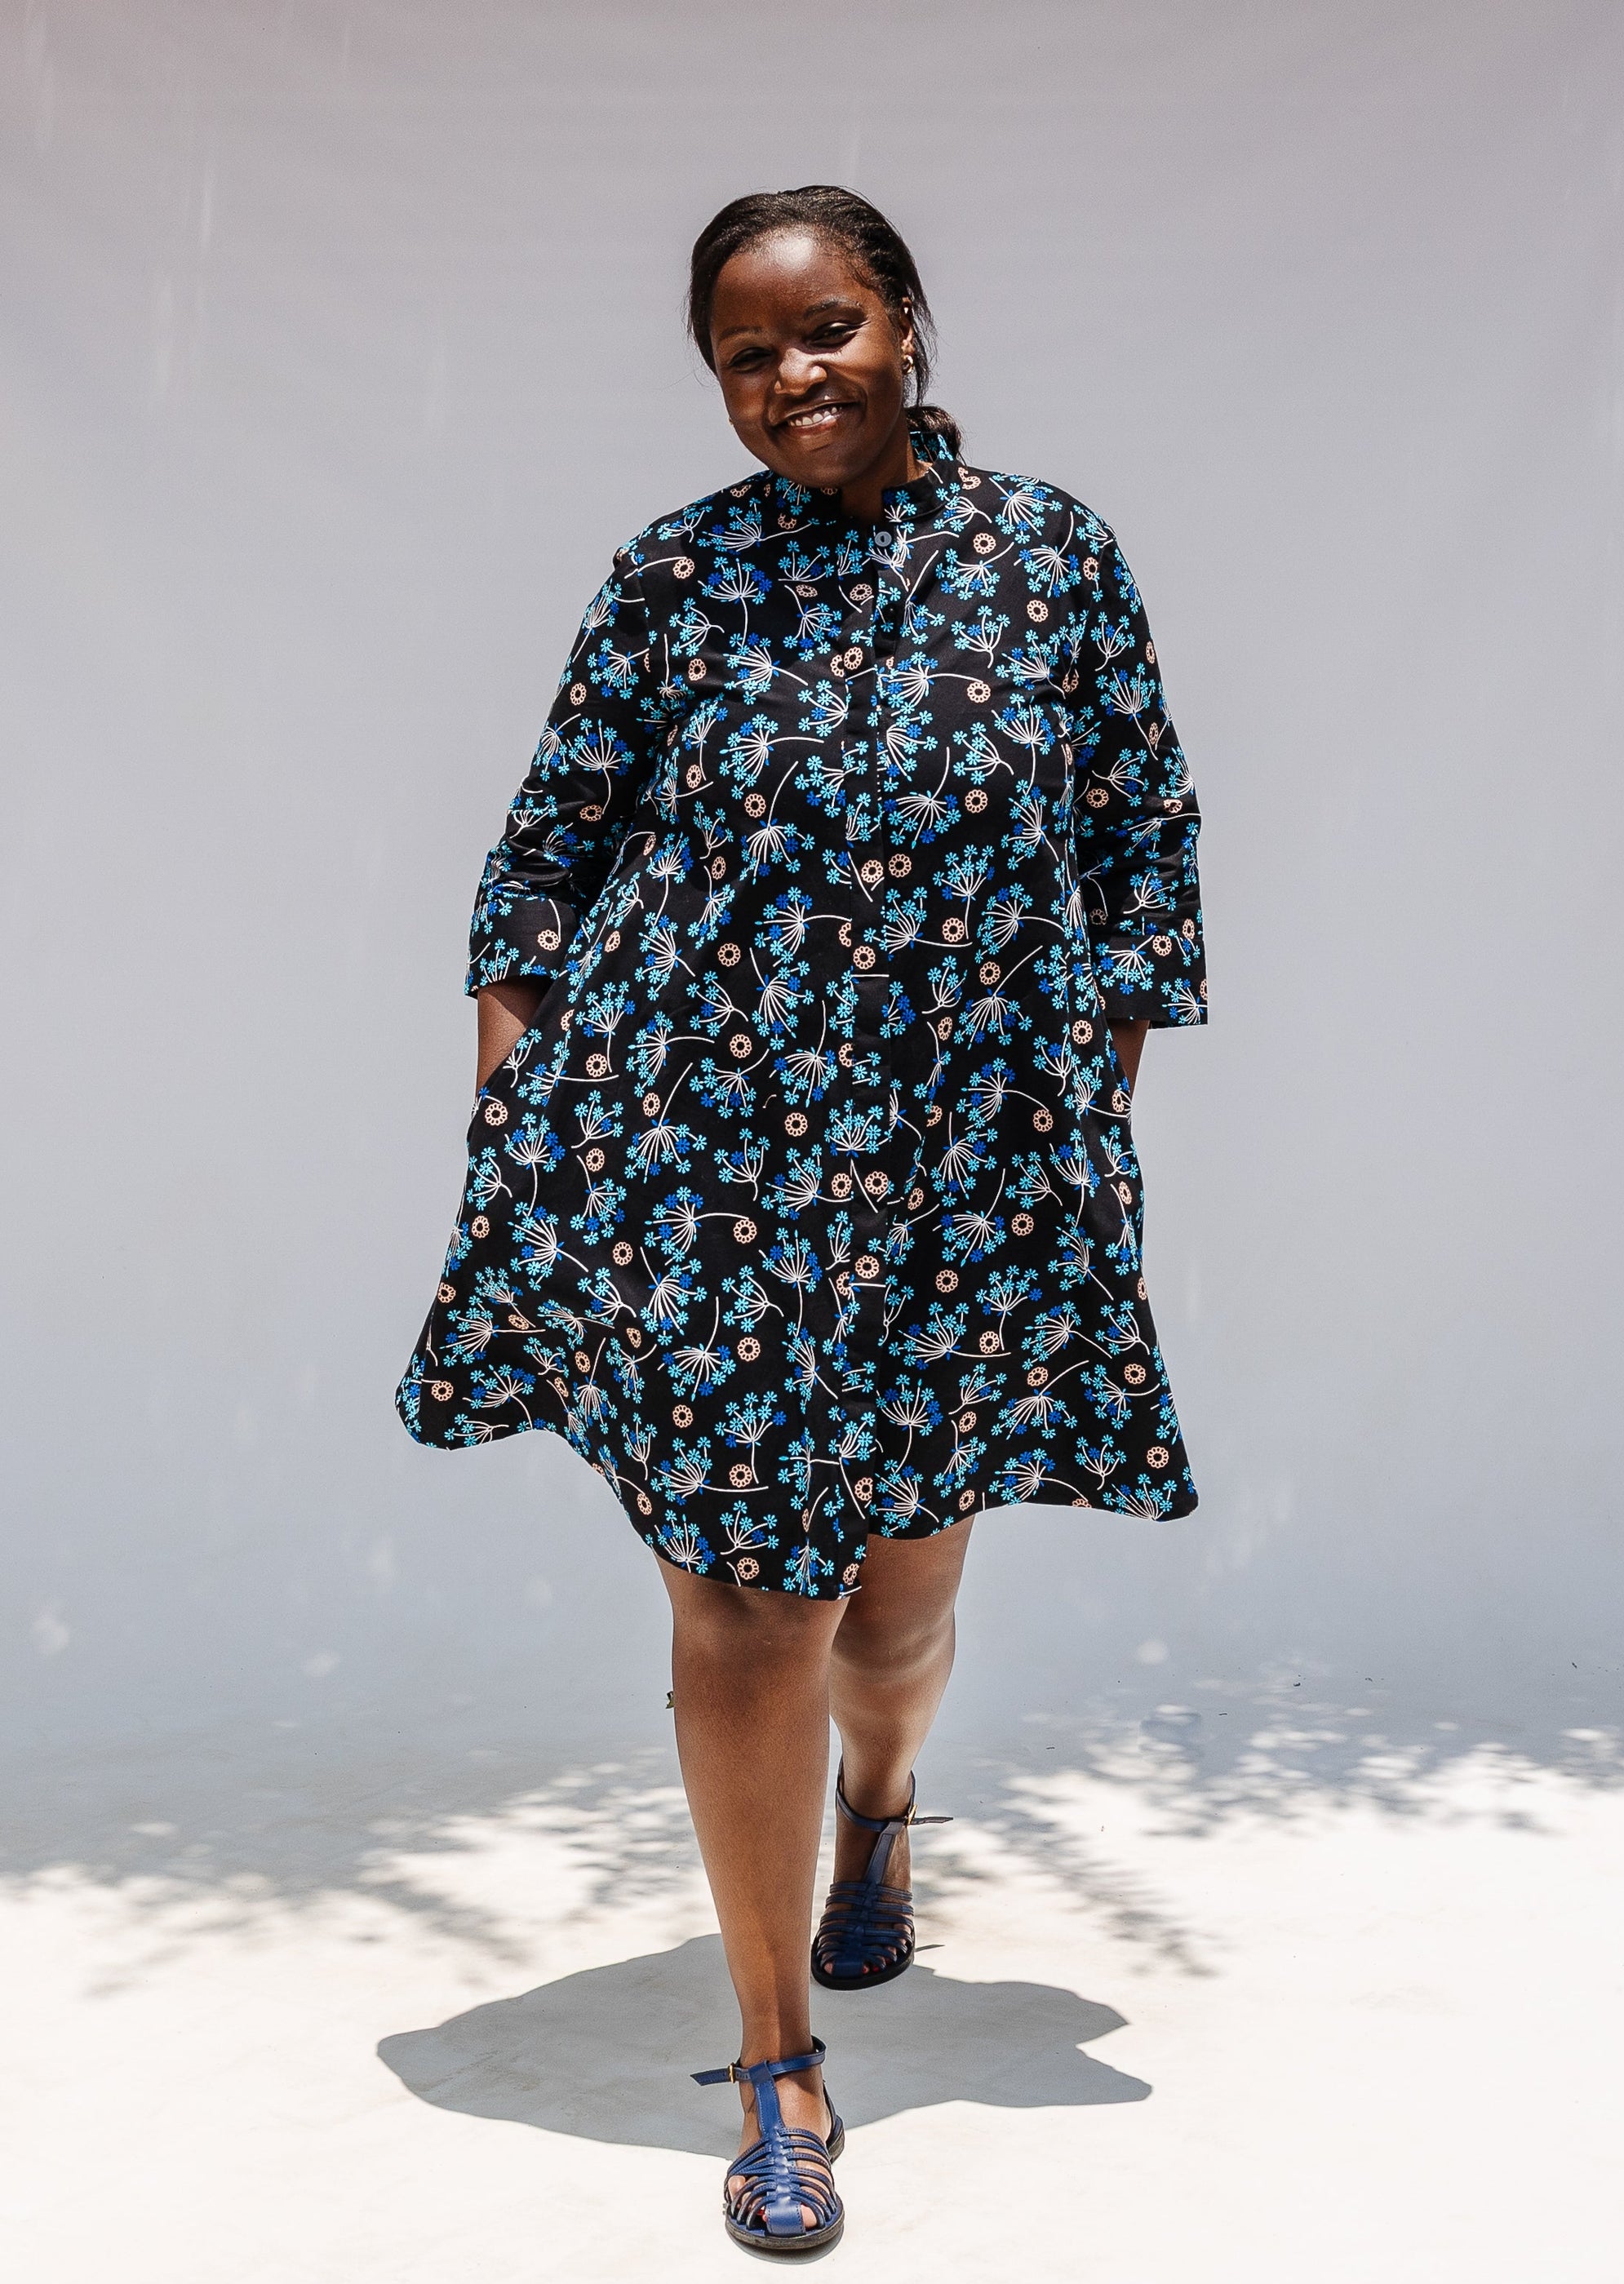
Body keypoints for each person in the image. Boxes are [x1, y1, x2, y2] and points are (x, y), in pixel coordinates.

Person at [397, 184, 1205, 2255]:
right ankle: (777, 2062)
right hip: (706, 1160)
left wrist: (1076, 1111)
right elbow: (541, 857)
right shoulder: (674, 579)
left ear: (910, 321)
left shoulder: (1049, 557)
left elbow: (1141, 844)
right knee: (746, 1603)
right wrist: (525, 1084)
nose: (791, 376)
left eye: (826, 327)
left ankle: (880, 1811)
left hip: (957, 1166)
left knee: (898, 1601)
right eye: (747, 353)